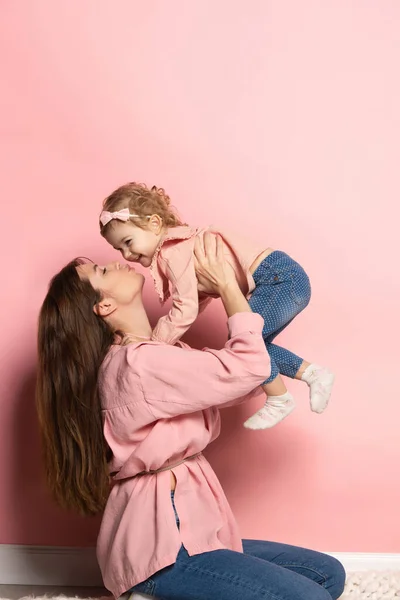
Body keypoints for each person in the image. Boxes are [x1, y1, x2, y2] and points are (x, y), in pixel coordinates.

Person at [36, 233, 345, 600]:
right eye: (103, 270)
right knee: (311, 597)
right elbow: (244, 371)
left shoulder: (154, 354)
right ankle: (157, 590)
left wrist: (246, 360)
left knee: (326, 574)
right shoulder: (139, 364)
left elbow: (234, 383)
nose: (117, 261)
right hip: (166, 549)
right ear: (103, 306)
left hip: (200, 530)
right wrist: (228, 287)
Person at [99, 182, 335, 430]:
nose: (126, 255)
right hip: (284, 276)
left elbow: (185, 308)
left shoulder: (171, 253)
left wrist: (153, 343)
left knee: (246, 344)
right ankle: (313, 374)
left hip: (276, 279)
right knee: (256, 345)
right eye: (119, 249)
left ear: (155, 224)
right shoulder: (181, 243)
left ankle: (279, 398)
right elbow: (197, 299)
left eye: (128, 242)